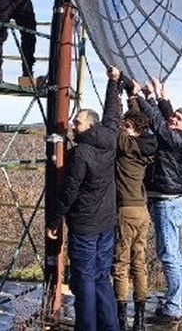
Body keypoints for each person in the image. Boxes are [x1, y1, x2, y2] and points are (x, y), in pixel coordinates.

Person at [46, 66, 122, 330]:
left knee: (84, 279)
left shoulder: (82, 153)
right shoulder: (110, 139)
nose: (72, 125)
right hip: (106, 223)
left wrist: (55, 220)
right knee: (101, 276)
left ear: (90, 125)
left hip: (85, 226)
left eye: (77, 122)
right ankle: (110, 326)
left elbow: (70, 190)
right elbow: (113, 113)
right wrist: (113, 83)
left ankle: (87, 326)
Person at [135, 78, 182, 324]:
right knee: (174, 253)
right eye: (172, 116)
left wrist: (141, 98)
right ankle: (178, 301)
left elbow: (162, 127)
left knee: (169, 255)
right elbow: (165, 122)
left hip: (167, 202)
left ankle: (174, 307)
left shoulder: (180, 140)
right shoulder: (176, 137)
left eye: (178, 118)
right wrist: (159, 98)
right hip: (166, 201)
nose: (172, 119)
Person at [113, 79, 157, 331]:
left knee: (121, 263)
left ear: (135, 131)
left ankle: (121, 318)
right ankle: (139, 320)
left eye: (128, 127)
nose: (124, 128)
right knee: (139, 263)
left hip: (126, 210)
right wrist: (133, 98)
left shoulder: (127, 146)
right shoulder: (143, 149)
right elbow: (135, 124)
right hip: (142, 211)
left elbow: (115, 123)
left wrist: (116, 93)